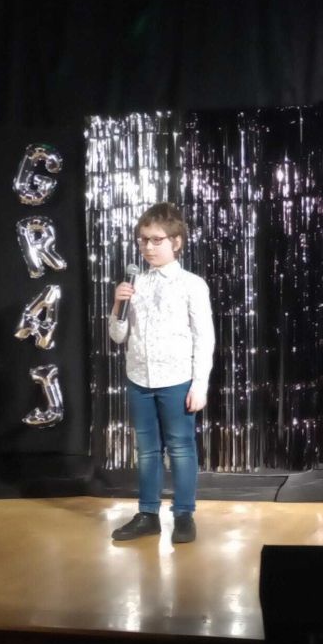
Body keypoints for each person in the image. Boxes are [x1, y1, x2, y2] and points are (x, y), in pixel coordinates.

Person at [108, 202, 215, 544]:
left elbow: (204, 337)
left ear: (176, 242)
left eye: (157, 240)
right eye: (143, 240)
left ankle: (183, 514)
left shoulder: (191, 284)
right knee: (147, 450)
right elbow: (118, 336)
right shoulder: (136, 283)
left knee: (181, 448)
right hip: (140, 378)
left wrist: (200, 385)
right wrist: (118, 303)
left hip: (176, 379)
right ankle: (148, 514)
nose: (149, 247)